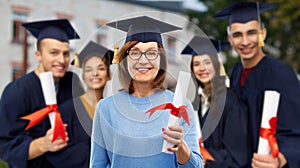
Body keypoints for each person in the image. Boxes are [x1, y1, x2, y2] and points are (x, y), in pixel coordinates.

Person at [90, 15, 203, 168]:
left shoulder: (181, 106)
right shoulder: (106, 108)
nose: (143, 61)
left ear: (161, 59)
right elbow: (97, 165)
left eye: (151, 52)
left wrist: (180, 146)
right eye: (135, 52)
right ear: (124, 59)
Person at [214, 2, 300, 167]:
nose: (245, 42)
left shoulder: (281, 73)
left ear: (263, 34)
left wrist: (280, 158)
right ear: (230, 39)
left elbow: (296, 131)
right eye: (238, 35)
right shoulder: (236, 71)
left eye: (252, 33)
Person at [0, 19, 84, 168]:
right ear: (38, 55)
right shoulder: (17, 92)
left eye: (65, 54)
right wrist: (43, 145)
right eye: (54, 53)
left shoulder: (72, 83)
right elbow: (7, 147)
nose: (61, 60)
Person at [181, 36, 249, 167]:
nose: (202, 68)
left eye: (207, 62)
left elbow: (238, 152)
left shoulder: (229, 100)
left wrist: (206, 157)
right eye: (196, 64)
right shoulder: (199, 102)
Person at [56, 41, 113, 167]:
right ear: (82, 75)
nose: (95, 74)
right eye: (89, 69)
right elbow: (57, 154)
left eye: (101, 68)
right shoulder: (67, 110)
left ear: (109, 75)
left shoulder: (112, 111)